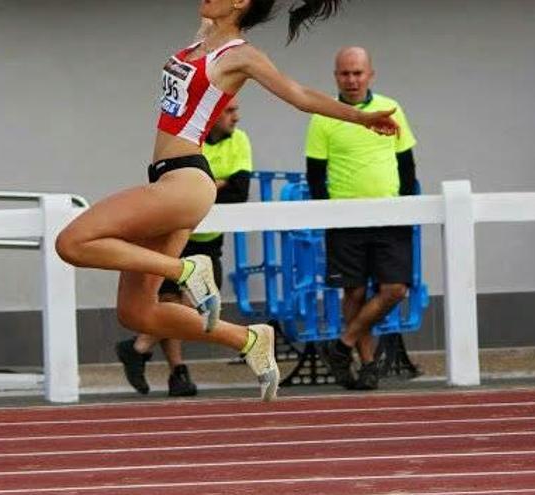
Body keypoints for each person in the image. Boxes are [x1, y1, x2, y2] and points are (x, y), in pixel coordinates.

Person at [54, 0, 398, 402]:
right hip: (167, 178)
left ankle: (185, 269)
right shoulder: (203, 35)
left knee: (72, 242)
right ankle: (249, 338)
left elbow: (299, 95)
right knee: (137, 313)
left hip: (185, 179)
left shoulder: (239, 54)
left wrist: (361, 117)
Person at [116, 98, 253, 397]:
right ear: (212, 114)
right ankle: (178, 372)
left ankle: (138, 347)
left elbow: (240, 192)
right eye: (229, 111)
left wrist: (199, 191)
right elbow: (172, 187)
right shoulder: (189, 142)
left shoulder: (239, 141)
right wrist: (215, 185)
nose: (236, 117)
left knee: (195, 304)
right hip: (175, 230)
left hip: (208, 239)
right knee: (165, 298)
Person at [306, 46, 418, 390]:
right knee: (353, 293)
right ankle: (367, 365)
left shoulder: (391, 108)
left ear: (371, 74)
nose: (352, 79)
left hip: (390, 216)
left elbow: (407, 165)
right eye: (345, 73)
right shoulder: (323, 116)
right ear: (335, 76)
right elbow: (314, 174)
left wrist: (406, 207)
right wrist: (330, 214)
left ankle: (342, 345)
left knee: (394, 290)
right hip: (345, 220)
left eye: (358, 72)